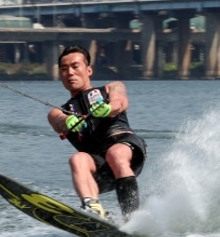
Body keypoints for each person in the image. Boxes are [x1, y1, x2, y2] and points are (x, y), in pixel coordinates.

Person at [47, 45, 147, 221]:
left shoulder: (111, 88)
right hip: (100, 168)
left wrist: (108, 108)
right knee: (77, 159)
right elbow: (58, 121)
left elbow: (120, 102)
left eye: (75, 66)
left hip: (126, 149)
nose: (70, 72)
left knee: (115, 153)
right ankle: (93, 209)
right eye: (64, 69)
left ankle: (133, 218)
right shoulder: (58, 111)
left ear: (89, 70)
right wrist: (68, 122)